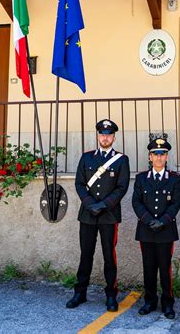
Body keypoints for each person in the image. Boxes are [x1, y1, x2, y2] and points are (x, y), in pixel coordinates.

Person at [66, 119, 130, 312]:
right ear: (98, 136)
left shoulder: (121, 160)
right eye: (102, 134)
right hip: (87, 214)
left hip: (109, 215)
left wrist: (103, 205)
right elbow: (79, 183)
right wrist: (89, 204)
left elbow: (122, 187)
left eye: (109, 134)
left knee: (110, 256)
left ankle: (111, 295)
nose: (105, 137)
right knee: (86, 254)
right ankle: (80, 293)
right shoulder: (86, 158)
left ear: (114, 137)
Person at [132, 137, 180, 319]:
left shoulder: (175, 179)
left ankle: (168, 303)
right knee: (149, 268)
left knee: (165, 268)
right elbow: (136, 202)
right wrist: (148, 220)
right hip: (146, 230)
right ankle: (150, 301)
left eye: (162, 154)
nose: (159, 158)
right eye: (155, 154)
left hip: (166, 230)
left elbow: (175, 203)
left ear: (167, 157)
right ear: (150, 157)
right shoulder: (141, 178)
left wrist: (163, 221)